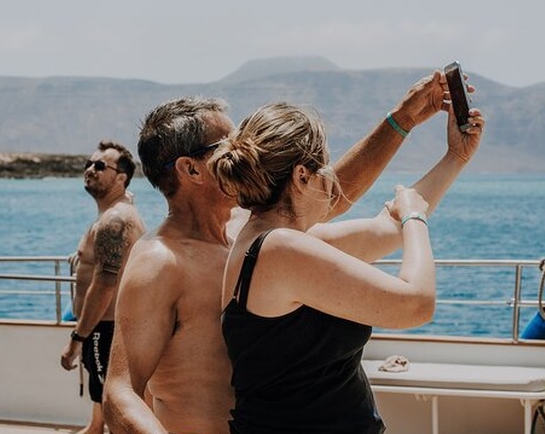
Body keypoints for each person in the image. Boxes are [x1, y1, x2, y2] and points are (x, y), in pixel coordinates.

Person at [103, 71, 470, 434]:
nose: (243, 150)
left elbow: (328, 195)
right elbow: (121, 393)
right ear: (191, 169)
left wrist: (407, 123)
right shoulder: (160, 261)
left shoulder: (251, 230)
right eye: (229, 143)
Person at [210, 100, 482, 433]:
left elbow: (387, 229)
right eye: (324, 167)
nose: (331, 178)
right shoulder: (282, 249)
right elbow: (416, 304)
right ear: (301, 176)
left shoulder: (270, 241)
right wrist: (415, 217)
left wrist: (455, 157)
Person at [61, 140, 147, 434]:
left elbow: (104, 284)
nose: (90, 169)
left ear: (121, 178)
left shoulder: (115, 220)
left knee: (115, 409)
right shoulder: (116, 212)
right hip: (104, 327)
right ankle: (94, 428)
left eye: (100, 166)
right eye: (89, 163)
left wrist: (77, 338)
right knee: (103, 401)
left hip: (106, 329)